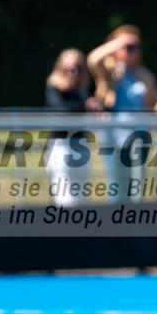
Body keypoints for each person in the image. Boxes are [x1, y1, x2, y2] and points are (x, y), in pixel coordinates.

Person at [87, 24, 157, 202]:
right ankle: (115, 227)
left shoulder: (144, 74)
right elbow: (93, 59)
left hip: (140, 135)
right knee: (117, 185)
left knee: (136, 186)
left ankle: (134, 227)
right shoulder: (109, 71)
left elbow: (156, 102)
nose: (134, 51)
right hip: (113, 135)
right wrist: (116, 44)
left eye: (137, 46)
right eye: (128, 47)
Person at [44, 48, 105, 206]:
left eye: (78, 68)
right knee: (66, 201)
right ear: (61, 69)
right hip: (61, 147)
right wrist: (85, 106)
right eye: (69, 68)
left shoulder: (83, 90)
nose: (74, 72)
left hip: (81, 146)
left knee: (82, 200)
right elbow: (60, 110)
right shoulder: (54, 87)